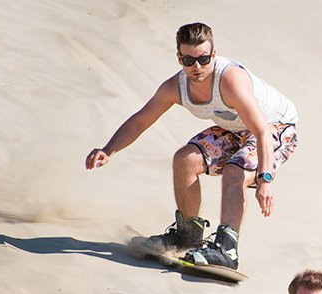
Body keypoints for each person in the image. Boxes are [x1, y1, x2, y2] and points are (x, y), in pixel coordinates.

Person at [84, 22, 298, 269]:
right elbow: (141, 121)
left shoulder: (230, 81)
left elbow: (261, 131)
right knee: (185, 159)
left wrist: (265, 180)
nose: (197, 67)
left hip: (276, 127)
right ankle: (187, 235)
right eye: (189, 60)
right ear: (179, 58)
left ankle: (227, 250)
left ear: (213, 55)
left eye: (204, 59)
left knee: (235, 169)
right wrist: (108, 149)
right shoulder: (175, 87)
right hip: (235, 128)